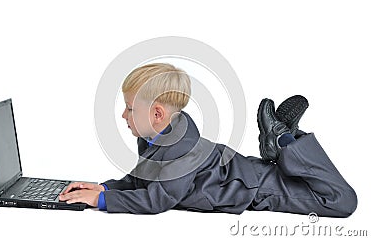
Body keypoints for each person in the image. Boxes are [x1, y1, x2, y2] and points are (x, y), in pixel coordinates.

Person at [59, 63, 357, 217]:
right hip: (244, 172)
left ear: (158, 114)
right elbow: (145, 181)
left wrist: (101, 201)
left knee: (341, 200)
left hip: (256, 190)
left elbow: (158, 199)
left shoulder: (181, 152)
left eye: (129, 108)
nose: (123, 115)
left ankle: (285, 142)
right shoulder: (155, 137)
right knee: (315, 185)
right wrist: (106, 187)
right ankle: (284, 143)